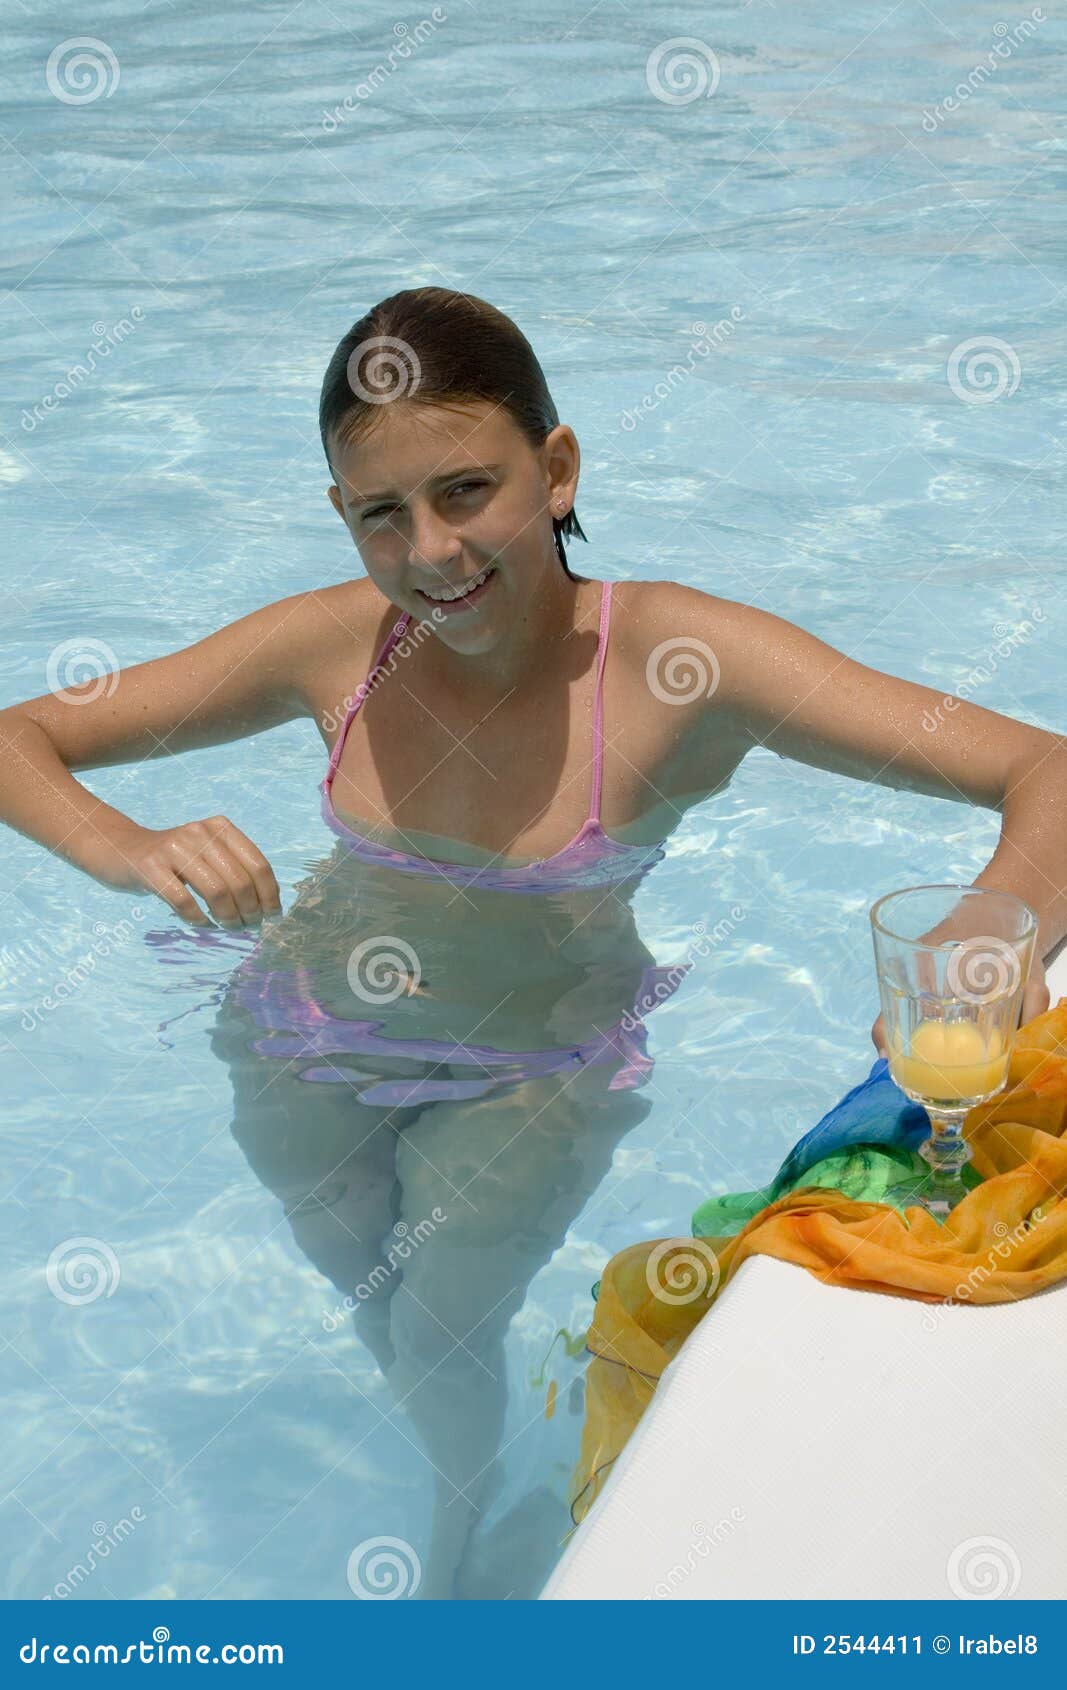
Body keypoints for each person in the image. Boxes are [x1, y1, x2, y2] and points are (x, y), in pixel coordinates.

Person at [1, 286, 1061, 1596]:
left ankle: (455, 1518)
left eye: (467, 491)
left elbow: (1046, 771)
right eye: (383, 512)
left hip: (531, 1071)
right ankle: (452, 1462)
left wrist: (991, 921)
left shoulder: (680, 663)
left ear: (556, 471)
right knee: (367, 1288)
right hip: (299, 1038)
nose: (431, 548)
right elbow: (17, 736)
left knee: (446, 1318)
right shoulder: (334, 645)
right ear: (344, 518)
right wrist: (129, 845)